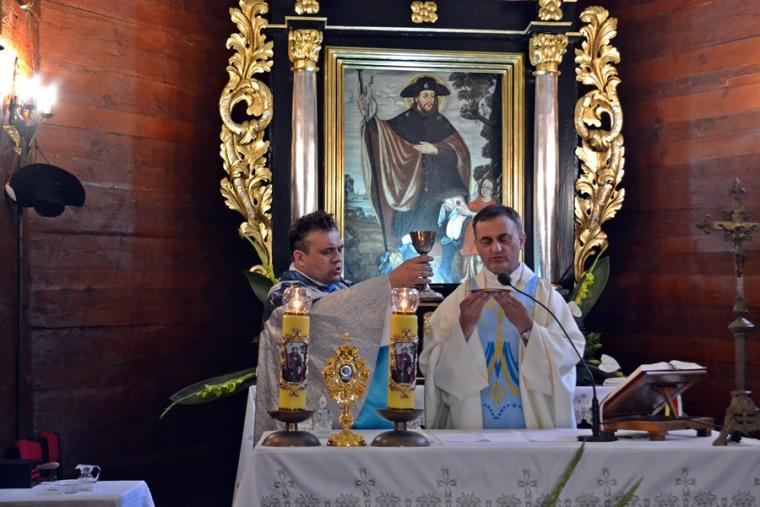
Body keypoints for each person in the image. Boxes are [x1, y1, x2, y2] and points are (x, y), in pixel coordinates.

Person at [254, 211, 432, 442]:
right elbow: (322, 317)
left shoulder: (344, 289)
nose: (337, 258)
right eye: (327, 252)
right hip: (301, 426)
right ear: (300, 258)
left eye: (340, 249)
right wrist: (388, 284)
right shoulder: (283, 295)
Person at [420, 204, 584, 430]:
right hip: (472, 429)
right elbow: (431, 364)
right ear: (476, 246)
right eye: (486, 241)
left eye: (504, 239)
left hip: (536, 429)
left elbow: (570, 352)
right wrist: (463, 328)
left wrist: (527, 328)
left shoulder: (543, 296)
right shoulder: (459, 299)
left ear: (522, 241)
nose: (495, 248)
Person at [359, 75, 472, 255]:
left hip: (436, 192)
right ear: (416, 98)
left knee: (437, 237)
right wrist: (370, 117)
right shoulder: (404, 120)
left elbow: (460, 154)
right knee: (409, 241)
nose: (430, 100)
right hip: (410, 190)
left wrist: (435, 150)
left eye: (433, 96)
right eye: (425, 95)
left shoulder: (441, 123)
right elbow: (384, 135)